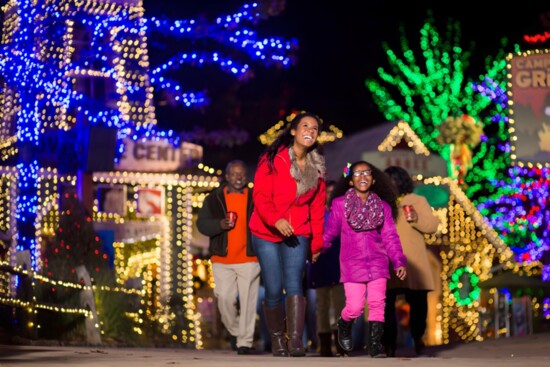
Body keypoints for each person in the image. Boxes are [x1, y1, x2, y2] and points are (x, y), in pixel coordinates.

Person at [249, 111, 326, 357]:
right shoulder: (272, 159)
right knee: (273, 288)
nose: (310, 131)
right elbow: (260, 196)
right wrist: (276, 219)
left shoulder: (317, 168)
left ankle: (295, 341)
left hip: (298, 232)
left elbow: (317, 209)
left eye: (314, 128)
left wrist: (316, 244)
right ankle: (276, 339)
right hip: (266, 232)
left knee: (295, 285)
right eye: (305, 126)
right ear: (293, 131)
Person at [324, 160, 407, 358]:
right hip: (352, 265)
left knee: (378, 303)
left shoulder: (383, 207)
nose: (363, 177)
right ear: (351, 181)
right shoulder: (339, 205)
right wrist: (316, 250)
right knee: (355, 307)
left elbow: (390, 237)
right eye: (357, 174)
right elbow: (330, 233)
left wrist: (399, 261)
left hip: (378, 263)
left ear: (373, 179)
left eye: (367, 173)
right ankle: (344, 323)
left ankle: (375, 345)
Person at [196, 160, 260, 355]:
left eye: (241, 174)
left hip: (250, 258)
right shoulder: (214, 199)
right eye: (234, 174)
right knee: (224, 298)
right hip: (222, 259)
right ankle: (235, 332)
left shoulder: (255, 197)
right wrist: (219, 225)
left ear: (246, 176)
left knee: (249, 301)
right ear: (227, 176)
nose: (238, 177)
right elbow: (202, 224)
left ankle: (245, 342)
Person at [382, 166, 440, 357]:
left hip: (413, 261)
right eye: (389, 180)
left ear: (403, 181)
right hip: (388, 261)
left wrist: (416, 218)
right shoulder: (380, 203)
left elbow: (432, 226)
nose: (393, 184)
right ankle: (388, 344)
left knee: (418, 304)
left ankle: (418, 338)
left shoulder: (417, 201)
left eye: (396, 180)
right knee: (385, 304)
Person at [307, 180, 346, 357]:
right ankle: (323, 345)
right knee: (321, 305)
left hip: (339, 265)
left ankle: (340, 344)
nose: (329, 195)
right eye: (327, 192)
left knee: (340, 305)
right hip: (320, 263)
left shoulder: (343, 214)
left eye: (332, 192)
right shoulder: (316, 214)